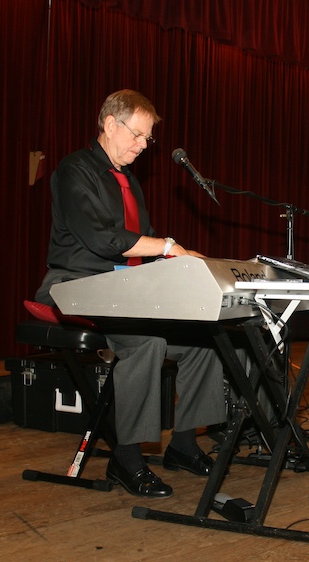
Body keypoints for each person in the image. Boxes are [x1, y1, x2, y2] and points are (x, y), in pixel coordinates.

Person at [35, 90, 227, 498]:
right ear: (109, 124)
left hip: (123, 287)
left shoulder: (129, 182)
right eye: (138, 135)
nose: (143, 146)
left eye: (148, 139)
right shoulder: (75, 171)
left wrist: (179, 263)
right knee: (146, 343)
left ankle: (184, 445)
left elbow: (140, 247)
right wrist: (168, 247)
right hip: (76, 284)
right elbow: (104, 240)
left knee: (203, 341)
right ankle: (125, 459)